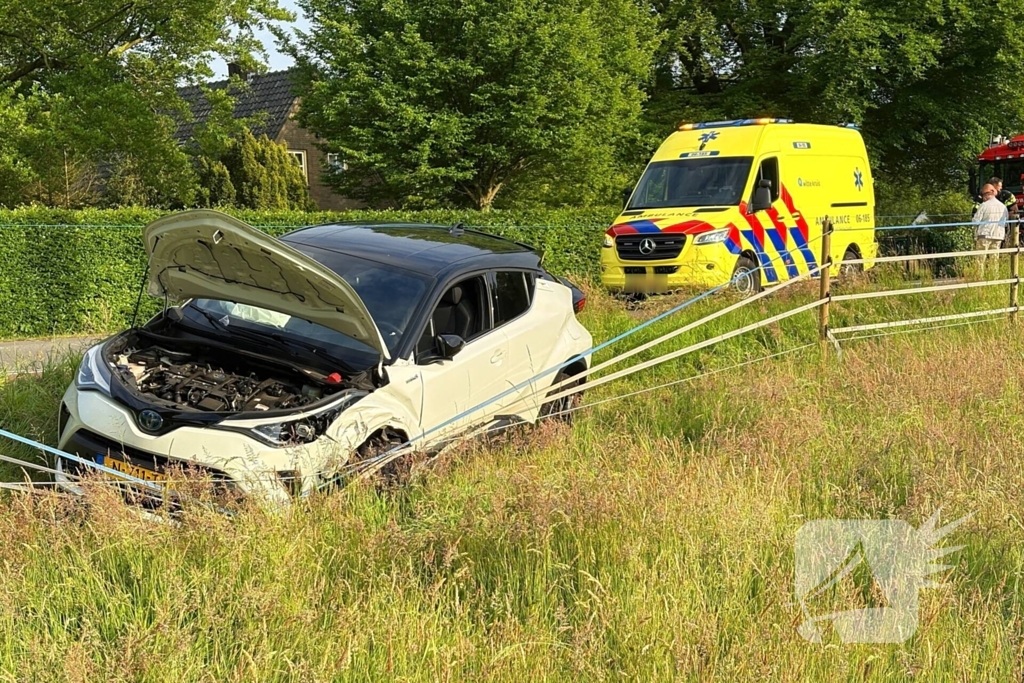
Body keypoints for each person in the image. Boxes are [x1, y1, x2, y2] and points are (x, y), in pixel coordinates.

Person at [974, 183, 1008, 277]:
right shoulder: (1003, 207)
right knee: (994, 259)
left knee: (980, 259)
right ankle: (994, 278)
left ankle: (979, 279)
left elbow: (975, 221)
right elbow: (1005, 222)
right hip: (998, 236)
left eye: (984, 195)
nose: (983, 197)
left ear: (989, 194)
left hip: (984, 235)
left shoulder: (983, 206)